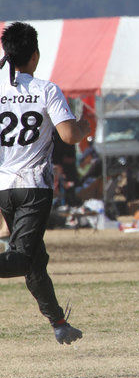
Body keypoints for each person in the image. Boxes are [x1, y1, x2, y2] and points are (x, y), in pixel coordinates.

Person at [0, 21, 91, 344]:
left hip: (5, 188)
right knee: (23, 258)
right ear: (35, 55)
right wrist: (85, 126)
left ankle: (59, 323)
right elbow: (69, 135)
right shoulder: (46, 89)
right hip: (34, 187)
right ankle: (58, 323)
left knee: (35, 261)